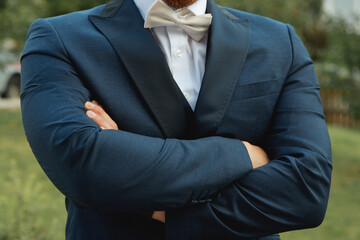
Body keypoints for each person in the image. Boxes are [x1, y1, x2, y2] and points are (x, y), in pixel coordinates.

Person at [20, 0, 332, 239]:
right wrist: (243, 154)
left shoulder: (282, 43)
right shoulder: (59, 38)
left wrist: (150, 200)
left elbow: (307, 189)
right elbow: (82, 163)